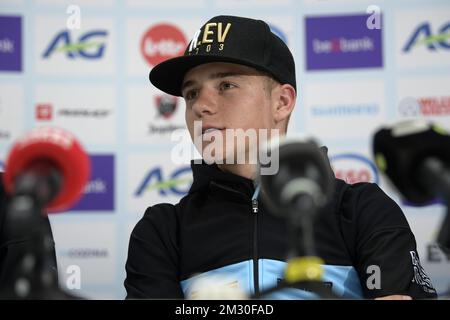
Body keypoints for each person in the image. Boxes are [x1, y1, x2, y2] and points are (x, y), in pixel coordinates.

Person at [124, 15, 437, 300]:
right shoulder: (162, 229)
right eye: (191, 92)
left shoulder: (361, 209)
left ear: (282, 102)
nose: (200, 106)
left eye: (226, 85)